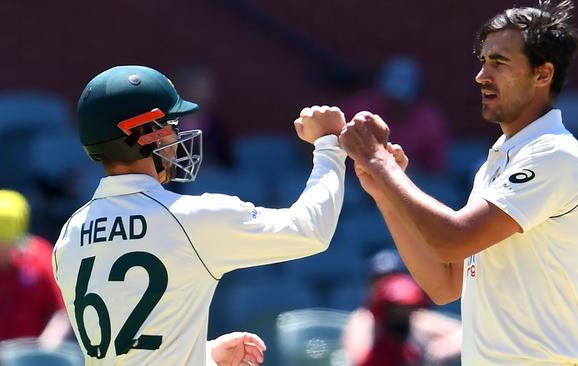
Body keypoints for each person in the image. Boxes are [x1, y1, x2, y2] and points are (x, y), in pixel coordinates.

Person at [339, 1, 578, 364]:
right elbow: (444, 286)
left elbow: (452, 239)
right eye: (484, 60)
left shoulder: (555, 154)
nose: (481, 75)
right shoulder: (498, 161)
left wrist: (381, 163)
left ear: (542, 74)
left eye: (499, 62)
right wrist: (385, 196)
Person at [52, 65, 347, 365]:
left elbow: (128, 355)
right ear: (144, 134)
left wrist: (202, 354)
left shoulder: (69, 234)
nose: (177, 135)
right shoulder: (191, 217)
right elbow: (310, 230)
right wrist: (328, 146)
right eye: (170, 125)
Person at [342, 250, 461, 366]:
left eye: (393, 277)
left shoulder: (418, 318)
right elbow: (357, 360)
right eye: (379, 279)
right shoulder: (364, 320)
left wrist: (439, 350)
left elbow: (462, 334)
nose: (387, 284)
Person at [339, 56, 449, 174]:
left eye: (401, 101)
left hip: (409, 178)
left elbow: (436, 166)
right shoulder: (359, 107)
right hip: (356, 175)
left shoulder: (429, 121)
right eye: (391, 99)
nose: (396, 105)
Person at [0, 189, 71, 349]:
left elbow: (62, 312)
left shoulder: (40, 256)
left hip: (28, 357)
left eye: (4, 242)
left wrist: (45, 348)